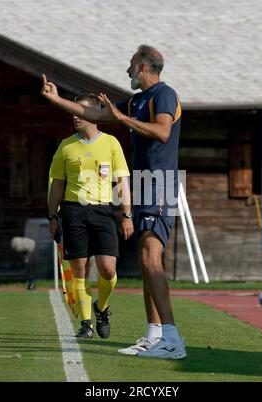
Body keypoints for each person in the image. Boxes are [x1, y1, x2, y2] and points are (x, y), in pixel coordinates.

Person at [42, 45, 186, 359]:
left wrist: (120, 116)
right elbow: (93, 113)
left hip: (159, 182)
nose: (127, 70)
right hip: (145, 183)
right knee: (147, 265)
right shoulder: (136, 100)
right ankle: (154, 335)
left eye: (131, 65)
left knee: (150, 259)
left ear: (145, 67)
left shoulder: (164, 94)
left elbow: (162, 132)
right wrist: (56, 99)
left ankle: (173, 340)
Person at [48, 92, 133, 339]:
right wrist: (52, 217)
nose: (75, 115)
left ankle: (102, 308)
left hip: (103, 210)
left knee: (108, 269)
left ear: (94, 114)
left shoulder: (111, 143)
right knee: (80, 269)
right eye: (73, 110)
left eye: (80, 111)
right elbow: (56, 185)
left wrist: (127, 214)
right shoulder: (66, 146)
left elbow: (122, 182)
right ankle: (86, 324)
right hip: (73, 211)